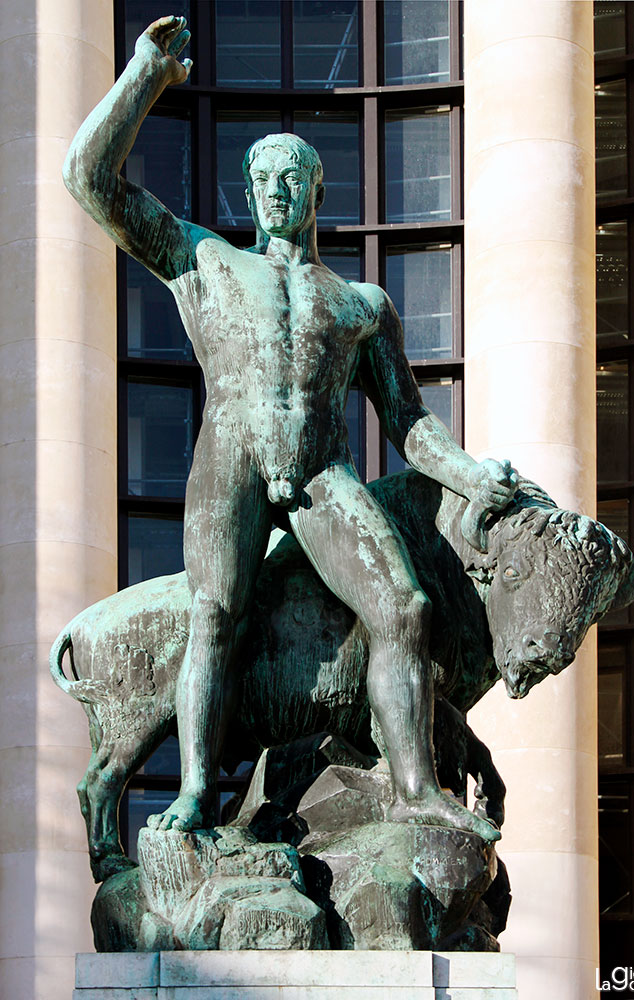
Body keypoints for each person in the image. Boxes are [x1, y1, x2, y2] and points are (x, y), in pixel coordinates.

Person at [63, 15, 518, 841]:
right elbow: (88, 177)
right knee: (213, 613)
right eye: (262, 177)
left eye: (291, 177)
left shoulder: (359, 304)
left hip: (320, 474)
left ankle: (415, 788)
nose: (276, 190)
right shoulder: (202, 260)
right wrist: (142, 77)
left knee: (405, 606)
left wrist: (469, 474)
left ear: (316, 192)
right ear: (247, 192)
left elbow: (410, 424)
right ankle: (199, 792)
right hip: (231, 459)